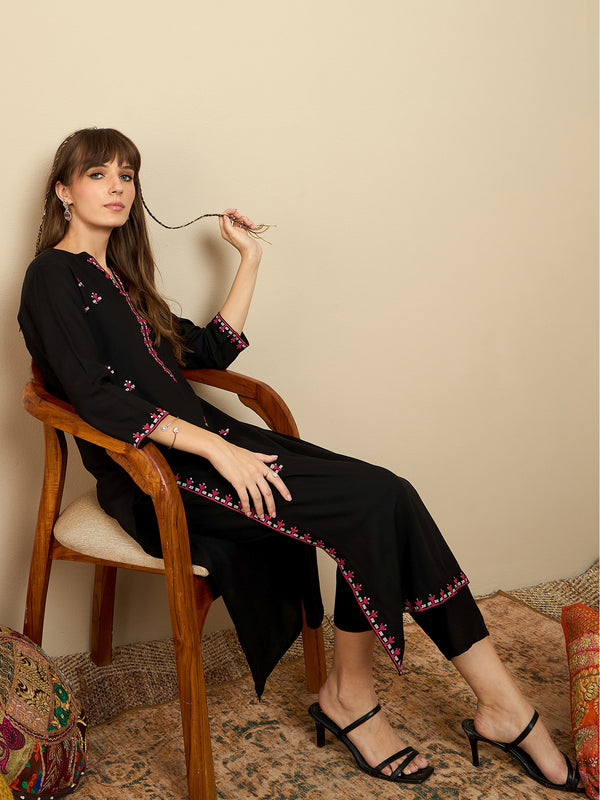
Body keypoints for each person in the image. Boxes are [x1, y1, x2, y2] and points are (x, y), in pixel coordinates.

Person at [18, 128, 582, 791]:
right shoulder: (51, 276)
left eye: (127, 176)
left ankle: (494, 704)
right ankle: (371, 702)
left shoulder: (123, 281)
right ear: (63, 190)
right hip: (156, 475)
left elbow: (205, 352)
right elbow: (91, 396)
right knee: (370, 505)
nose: (116, 187)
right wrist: (214, 448)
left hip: (215, 447)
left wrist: (248, 259)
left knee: (387, 492)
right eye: (97, 175)